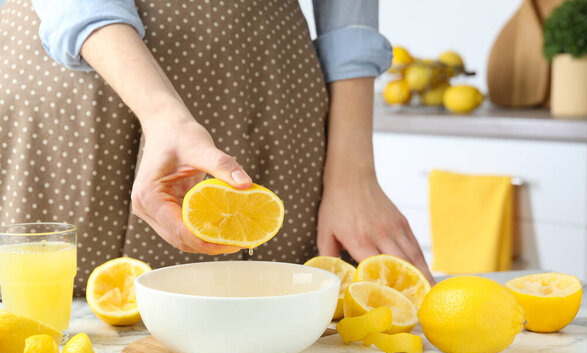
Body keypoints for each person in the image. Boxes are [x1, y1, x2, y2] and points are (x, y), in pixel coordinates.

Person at [0, 0, 434, 296]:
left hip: (261, 83)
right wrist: (161, 113)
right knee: (54, 324)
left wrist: (354, 172)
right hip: (73, 76)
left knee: (265, 324)